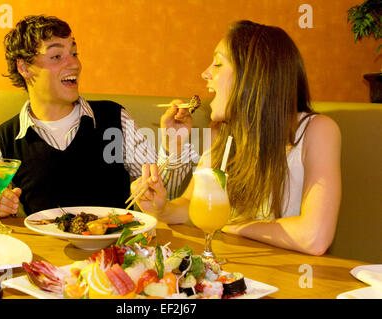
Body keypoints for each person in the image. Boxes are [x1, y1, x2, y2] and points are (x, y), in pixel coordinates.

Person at [132, 20, 342, 256]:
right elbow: (193, 205)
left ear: (254, 76)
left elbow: (314, 237)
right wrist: (161, 208)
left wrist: (233, 226)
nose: (206, 73)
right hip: (236, 269)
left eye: (218, 64)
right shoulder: (220, 132)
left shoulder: (317, 131)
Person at [0, 15, 193, 217]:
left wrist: (175, 144)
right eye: (56, 56)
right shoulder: (4, 141)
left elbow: (162, 195)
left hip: (114, 251)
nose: (75, 64)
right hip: (46, 254)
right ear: (24, 67)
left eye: (74, 53)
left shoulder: (114, 118)